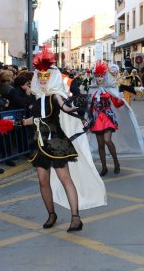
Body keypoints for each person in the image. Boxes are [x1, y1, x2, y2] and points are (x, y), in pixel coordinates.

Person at [20, 46, 106, 231]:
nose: (43, 79)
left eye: (46, 76)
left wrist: (77, 104)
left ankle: (76, 217)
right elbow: (35, 119)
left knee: (64, 178)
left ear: (52, 78)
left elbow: (66, 107)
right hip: (39, 141)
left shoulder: (56, 97)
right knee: (43, 180)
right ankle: (51, 215)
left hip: (56, 141)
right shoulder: (35, 99)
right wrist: (17, 123)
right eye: (40, 76)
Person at [86, 61, 144, 176]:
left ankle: (116, 162)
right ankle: (104, 167)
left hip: (108, 118)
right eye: (97, 76)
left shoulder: (110, 89)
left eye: (101, 76)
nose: (99, 79)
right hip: (96, 120)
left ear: (105, 77)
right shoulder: (92, 90)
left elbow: (117, 104)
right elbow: (90, 107)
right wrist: (87, 119)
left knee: (107, 140)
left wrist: (119, 99)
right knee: (100, 145)